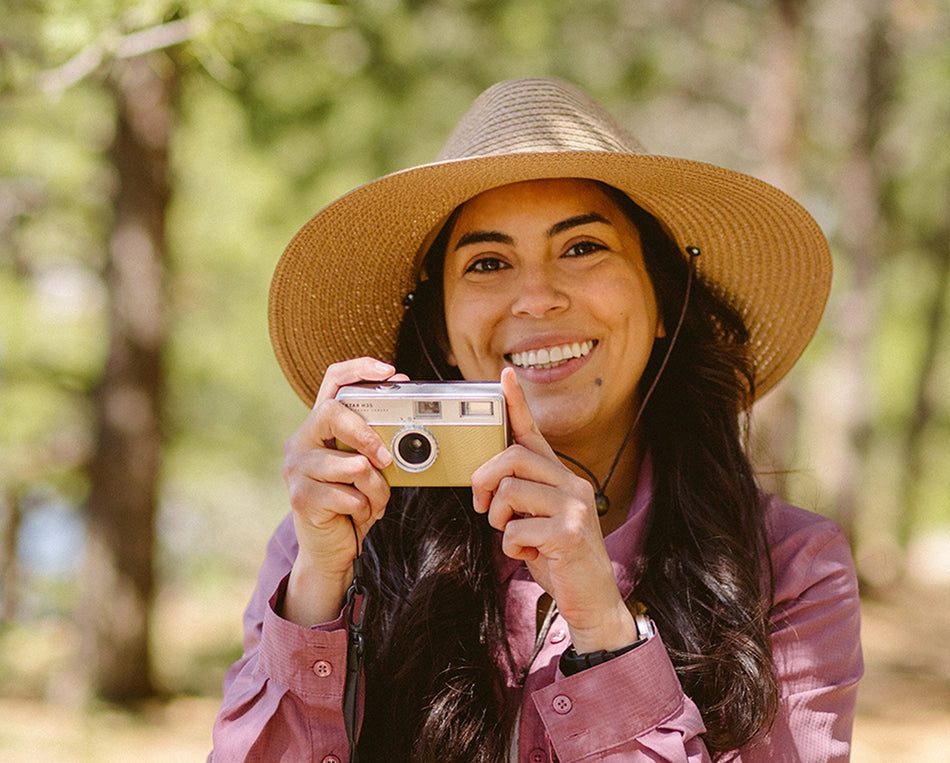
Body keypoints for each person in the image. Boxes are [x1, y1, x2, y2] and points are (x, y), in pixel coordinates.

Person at [210, 78, 862, 762]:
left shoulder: (792, 569)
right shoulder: (333, 545)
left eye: (582, 247)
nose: (537, 298)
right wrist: (316, 597)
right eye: (488, 262)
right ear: (440, 326)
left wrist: (603, 623)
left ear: (663, 298)